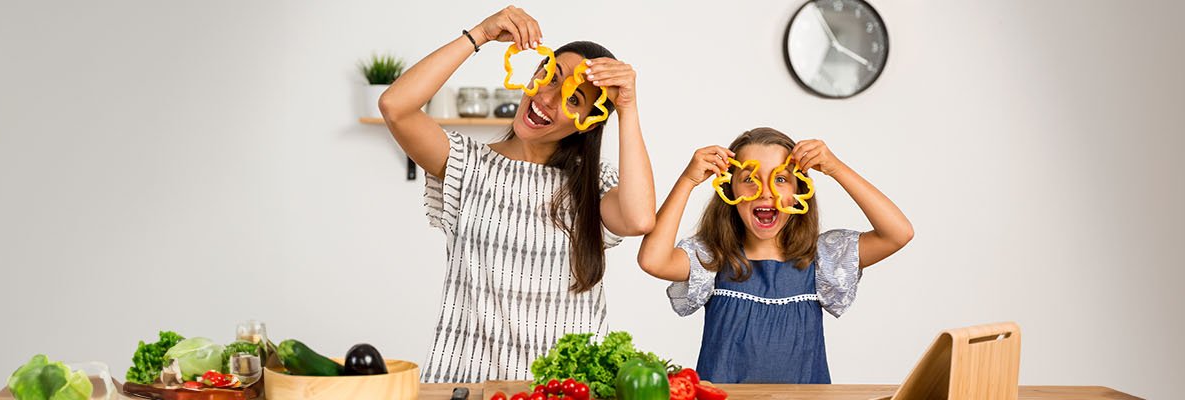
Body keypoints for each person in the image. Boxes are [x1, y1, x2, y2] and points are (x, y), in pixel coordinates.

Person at [377, 5, 657, 382]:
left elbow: (640, 219)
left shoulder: (592, 187)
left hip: (563, 390)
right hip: (467, 382)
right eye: (550, 76)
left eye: (574, 99)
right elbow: (395, 106)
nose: (548, 98)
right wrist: (479, 34)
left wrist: (628, 106)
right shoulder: (466, 164)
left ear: (587, 123)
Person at [636, 127, 913, 383]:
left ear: (798, 192)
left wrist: (835, 168)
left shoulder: (823, 259)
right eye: (749, 179)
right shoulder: (712, 258)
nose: (765, 191)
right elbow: (653, 260)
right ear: (729, 190)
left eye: (780, 179)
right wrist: (687, 180)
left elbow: (898, 233)